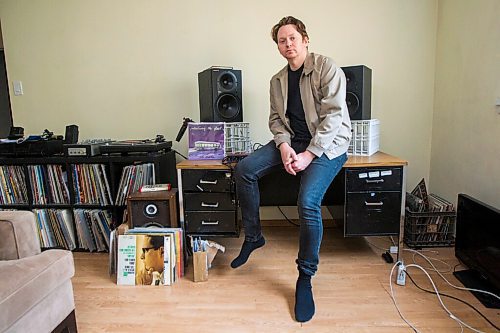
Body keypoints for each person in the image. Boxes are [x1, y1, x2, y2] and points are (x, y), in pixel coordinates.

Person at [231, 16, 351, 322]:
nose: (288, 45)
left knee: (308, 202)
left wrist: (309, 155)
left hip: (328, 145)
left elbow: (334, 117)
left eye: (293, 39)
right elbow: (275, 120)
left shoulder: (327, 68)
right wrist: (284, 147)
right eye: (282, 41)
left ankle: (305, 277)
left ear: (305, 39)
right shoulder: (277, 80)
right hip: (293, 142)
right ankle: (254, 236)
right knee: (244, 169)